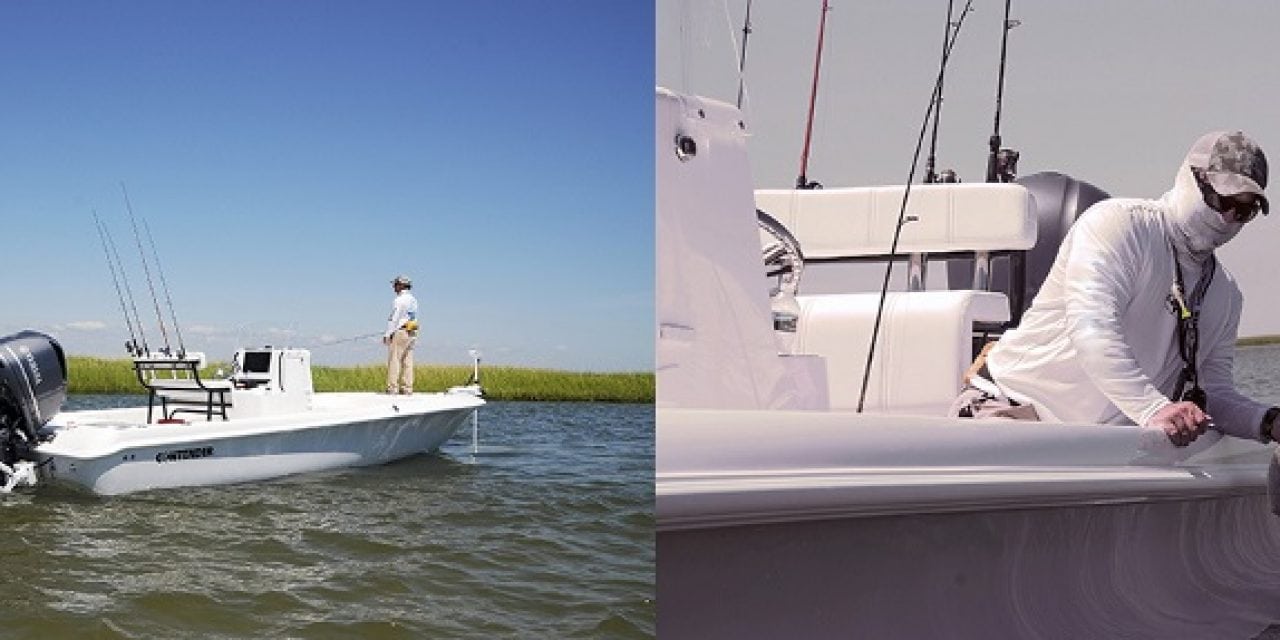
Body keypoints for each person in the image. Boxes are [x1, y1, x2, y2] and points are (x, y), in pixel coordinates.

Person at [956, 130, 1280, 447]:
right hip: (1012, 409)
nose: (1227, 218)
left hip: (1097, 441)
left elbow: (1215, 394)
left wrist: (1268, 421)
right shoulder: (1119, 225)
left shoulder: (1226, 296)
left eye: (1244, 210)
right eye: (1220, 199)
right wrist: (1156, 408)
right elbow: (1092, 330)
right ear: (1189, 179)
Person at [383, 275, 419, 395]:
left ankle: (392, 388)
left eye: (396, 284)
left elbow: (394, 318)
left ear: (401, 285)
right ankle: (407, 388)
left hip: (400, 332)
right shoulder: (413, 300)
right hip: (412, 332)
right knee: (408, 361)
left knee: (394, 360)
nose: (394, 287)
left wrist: (388, 334)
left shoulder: (399, 300)